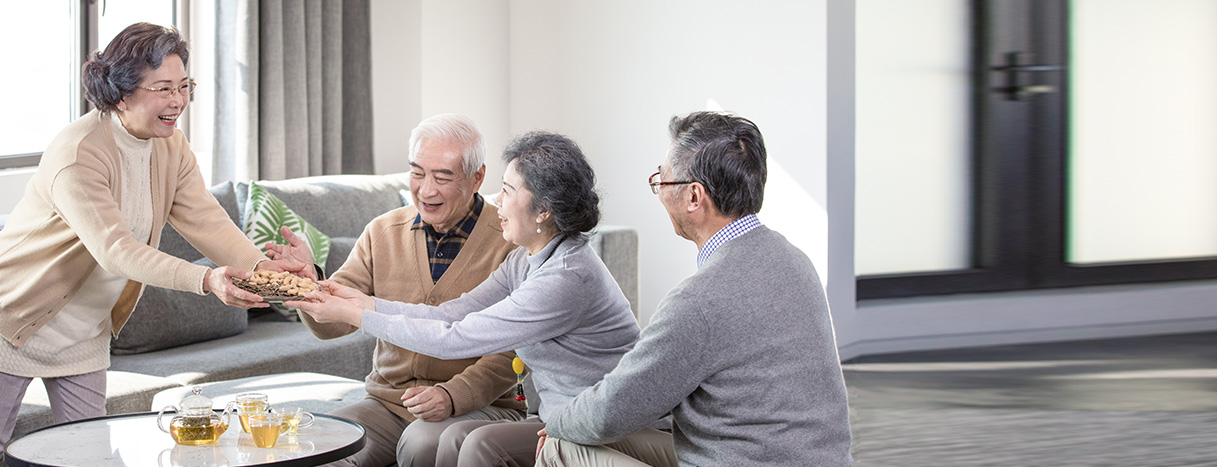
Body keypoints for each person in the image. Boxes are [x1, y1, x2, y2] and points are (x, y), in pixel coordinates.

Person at [0, 22, 306, 451]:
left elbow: (205, 219)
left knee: (88, 454)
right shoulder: (78, 152)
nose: (178, 100)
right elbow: (116, 250)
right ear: (121, 93)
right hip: (13, 320)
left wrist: (260, 269)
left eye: (183, 86)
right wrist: (207, 279)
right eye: (163, 88)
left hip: (84, 334)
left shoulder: (171, 146)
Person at [287, 131, 645, 467]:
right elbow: (450, 313)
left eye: (507, 190)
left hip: (597, 424)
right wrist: (360, 303)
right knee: (452, 439)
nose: (498, 200)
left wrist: (359, 316)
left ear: (543, 211)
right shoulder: (526, 258)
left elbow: (454, 338)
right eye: (418, 173)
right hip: (557, 419)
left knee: (473, 443)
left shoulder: (564, 277)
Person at [536, 111, 854, 466]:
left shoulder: (699, 301)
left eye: (662, 180)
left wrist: (556, 422)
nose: (659, 191)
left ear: (693, 197)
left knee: (559, 444)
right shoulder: (796, 261)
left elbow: (612, 410)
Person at [268, 114, 529, 467]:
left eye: (443, 177)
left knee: (423, 443)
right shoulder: (382, 231)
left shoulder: (510, 240)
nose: (427, 190)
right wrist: (308, 284)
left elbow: (515, 348)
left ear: (477, 177)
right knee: (315, 448)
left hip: (478, 406)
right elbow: (334, 324)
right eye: (417, 173)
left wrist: (452, 395)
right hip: (387, 406)